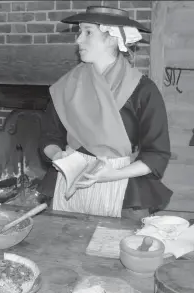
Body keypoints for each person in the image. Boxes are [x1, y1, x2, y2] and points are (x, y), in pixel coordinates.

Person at [35, 6, 173, 221]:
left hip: (121, 188)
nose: (78, 40)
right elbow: (48, 136)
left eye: (88, 32)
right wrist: (58, 156)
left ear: (112, 38)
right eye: (79, 32)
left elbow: (157, 154)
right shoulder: (66, 86)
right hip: (69, 183)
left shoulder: (143, 90)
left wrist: (112, 175)